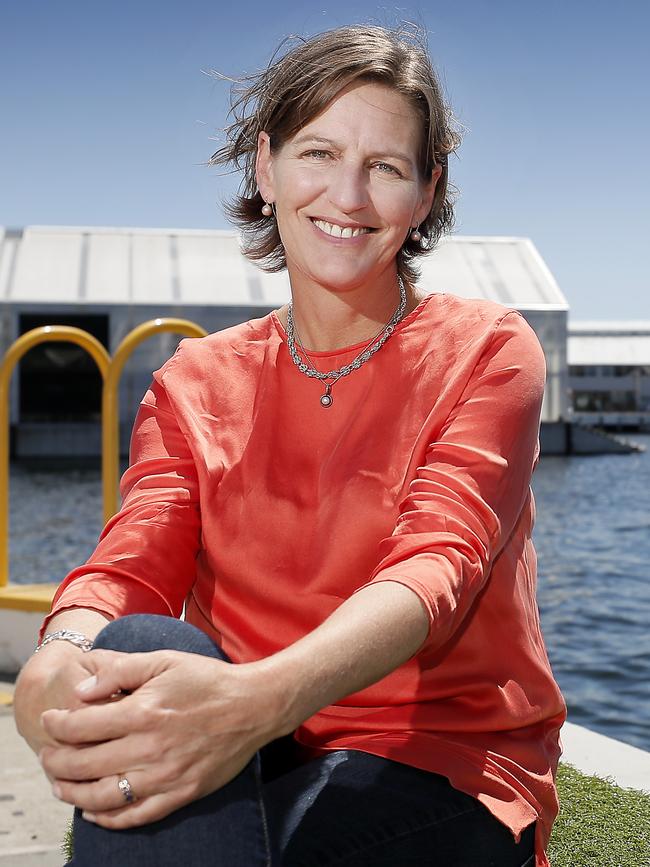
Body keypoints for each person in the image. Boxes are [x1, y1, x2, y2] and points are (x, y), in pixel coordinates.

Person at [14, 23, 566, 867]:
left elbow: (436, 568)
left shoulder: (489, 350)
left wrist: (253, 700)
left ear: (426, 192)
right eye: (318, 153)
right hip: (256, 738)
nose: (347, 197)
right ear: (266, 167)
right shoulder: (194, 379)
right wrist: (52, 671)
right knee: (125, 651)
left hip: (439, 765)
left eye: (385, 167)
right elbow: (130, 567)